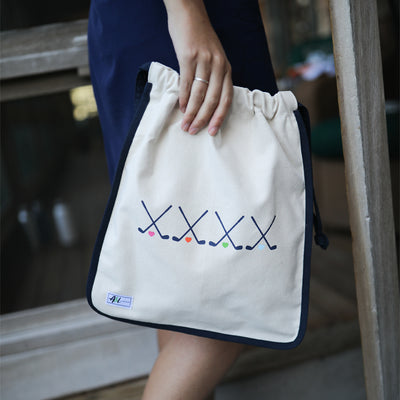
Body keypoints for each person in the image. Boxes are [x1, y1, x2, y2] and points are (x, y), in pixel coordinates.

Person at [88, 1, 278, 398]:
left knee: (180, 280)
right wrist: (188, 14)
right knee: (235, 288)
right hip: (187, 23)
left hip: (156, 22)